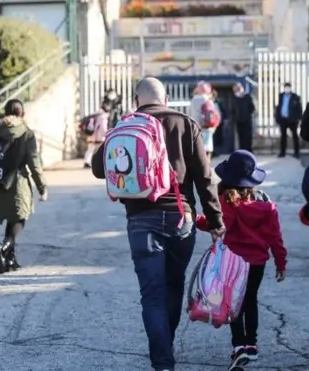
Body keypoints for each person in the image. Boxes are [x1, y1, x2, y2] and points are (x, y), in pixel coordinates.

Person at [91, 77, 224, 371]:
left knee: (152, 295)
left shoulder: (126, 125)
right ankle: (167, 344)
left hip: (140, 219)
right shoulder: (185, 124)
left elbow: (99, 168)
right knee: (174, 286)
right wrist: (215, 219)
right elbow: (204, 177)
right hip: (181, 217)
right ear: (165, 99)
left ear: (137, 100)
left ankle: (162, 361)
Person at [195, 150, 287, 370]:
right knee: (250, 300)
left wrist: (195, 220)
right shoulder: (267, 205)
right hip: (258, 263)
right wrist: (280, 263)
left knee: (233, 303)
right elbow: (275, 237)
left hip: (233, 263)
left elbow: (216, 224)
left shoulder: (228, 202)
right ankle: (252, 344)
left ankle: (238, 346)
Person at [0, 99, 48, 274]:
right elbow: (34, 162)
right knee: (19, 218)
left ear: (5, 113)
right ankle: (3, 246)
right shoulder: (26, 133)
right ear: (22, 113)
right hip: (18, 182)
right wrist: (42, 187)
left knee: (11, 220)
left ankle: (9, 260)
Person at [189, 81, 220, 160]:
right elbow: (213, 114)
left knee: (198, 150)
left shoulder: (193, 100)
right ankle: (207, 167)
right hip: (206, 127)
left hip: (195, 127)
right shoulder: (207, 100)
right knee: (207, 150)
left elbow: (190, 114)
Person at [275, 82, 303, 158]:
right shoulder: (281, 96)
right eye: (285, 87)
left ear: (290, 88)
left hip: (292, 120)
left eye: (288, 87)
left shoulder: (295, 97)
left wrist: (298, 118)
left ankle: (296, 152)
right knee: (283, 136)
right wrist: (277, 117)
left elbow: (299, 109)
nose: (287, 89)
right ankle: (282, 152)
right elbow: (279, 107)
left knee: (295, 136)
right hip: (283, 119)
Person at [230, 82, 256, 153]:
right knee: (241, 137)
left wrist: (248, 115)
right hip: (239, 121)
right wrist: (235, 118)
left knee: (248, 136)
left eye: (238, 88)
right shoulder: (234, 98)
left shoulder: (247, 97)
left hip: (247, 120)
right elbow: (232, 110)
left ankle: (249, 151)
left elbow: (252, 108)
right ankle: (242, 151)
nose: (236, 90)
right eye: (235, 89)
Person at [83, 104, 109, 169]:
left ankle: (87, 162)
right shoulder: (103, 116)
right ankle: (101, 163)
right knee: (101, 150)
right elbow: (103, 127)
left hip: (91, 134)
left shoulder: (95, 114)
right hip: (99, 136)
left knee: (90, 149)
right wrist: (106, 134)